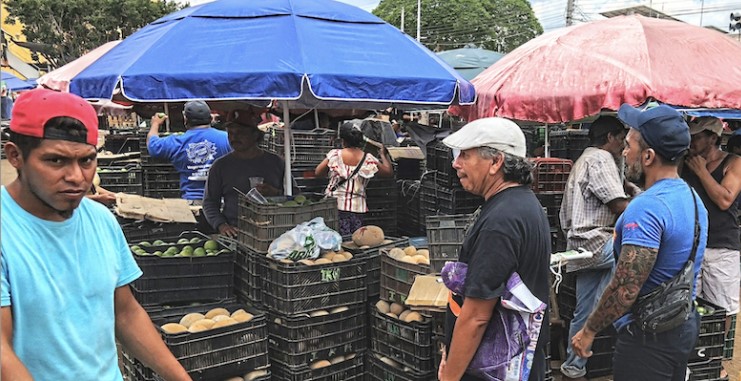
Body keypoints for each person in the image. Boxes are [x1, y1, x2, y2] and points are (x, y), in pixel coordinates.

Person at [0, 88, 191, 381]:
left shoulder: (101, 221)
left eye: (86, 160)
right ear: (15, 156)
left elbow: (125, 314)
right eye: (56, 161)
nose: (76, 177)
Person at [572, 104, 708, 381]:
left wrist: (589, 331)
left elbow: (625, 288)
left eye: (629, 144)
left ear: (648, 156)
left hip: (648, 337)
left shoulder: (645, 208)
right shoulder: (693, 200)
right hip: (682, 323)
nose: (624, 151)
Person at [437, 117, 551, 381]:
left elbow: (477, 316)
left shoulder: (501, 221)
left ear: (496, 162)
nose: (456, 163)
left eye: (465, 155)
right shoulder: (523, 204)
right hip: (514, 361)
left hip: (496, 369)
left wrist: (450, 377)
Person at [558, 116, 632, 379]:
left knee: (585, 310)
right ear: (610, 137)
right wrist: (648, 204)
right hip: (597, 243)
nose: (624, 144)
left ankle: (573, 367)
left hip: (581, 246)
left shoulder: (585, 159)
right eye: (621, 138)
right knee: (629, 285)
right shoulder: (599, 159)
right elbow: (618, 204)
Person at [682, 116, 741, 378]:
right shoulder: (685, 164)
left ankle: (714, 361)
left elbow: (725, 199)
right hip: (692, 245)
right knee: (687, 303)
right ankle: (691, 358)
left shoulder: (734, 163)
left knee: (722, 308)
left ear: (713, 138)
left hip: (722, 246)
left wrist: (702, 171)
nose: (691, 142)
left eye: (696, 137)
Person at [203, 120, 287, 238]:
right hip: (236, 231)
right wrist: (222, 225)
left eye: (240, 133)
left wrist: (276, 193)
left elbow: (295, 196)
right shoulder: (220, 166)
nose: (234, 137)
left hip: (274, 230)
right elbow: (209, 202)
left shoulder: (277, 163)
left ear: (255, 135)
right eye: (230, 133)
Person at [314, 123, 393, 236]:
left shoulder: (335, 154)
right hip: (357, 208)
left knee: (336, 241)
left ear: (343, 140)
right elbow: (388, 172)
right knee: (355, 241)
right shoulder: (368, 158)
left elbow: (318, 172)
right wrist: (383, 155)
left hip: (335, 207)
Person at [147, 100, 231, 203]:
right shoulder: (227, 138)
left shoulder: (177, 141)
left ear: (186, 119)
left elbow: (153, 146)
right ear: (210, 118)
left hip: (192, 202)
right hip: (221, 202)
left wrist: (155, 124)